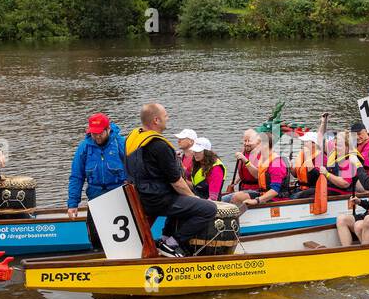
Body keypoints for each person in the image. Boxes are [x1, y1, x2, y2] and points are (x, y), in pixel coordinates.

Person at [124, 102, 217, 256]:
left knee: (184, 202)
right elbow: (177, 182)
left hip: (140, 197)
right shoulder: (159, 145)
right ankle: (172, 244)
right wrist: (195, 198)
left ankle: (164, 238)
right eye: (165, 115)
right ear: (156, 120)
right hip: (158, 200)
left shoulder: (131, 138)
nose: (168, 118)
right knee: (208, 209)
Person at [67, 112, 129, 247]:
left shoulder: (121, 144)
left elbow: (135, 170)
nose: (97, 136)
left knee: (123, 238)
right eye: (94, 133)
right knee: (95, 237)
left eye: (100, 133)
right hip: (96, 198)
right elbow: (76, 177)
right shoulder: (84, 147)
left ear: (108, 129)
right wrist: (73, 204)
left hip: (120, 197)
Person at [229, 131, 289, 206]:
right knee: (236, 197)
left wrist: (256, 201)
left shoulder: (276, 164)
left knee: (237, 198)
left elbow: (275, 191)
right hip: (263, 193)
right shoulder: (263, 160)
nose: (255, 146)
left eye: (258, 144)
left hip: (276, 199)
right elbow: (257, 175)